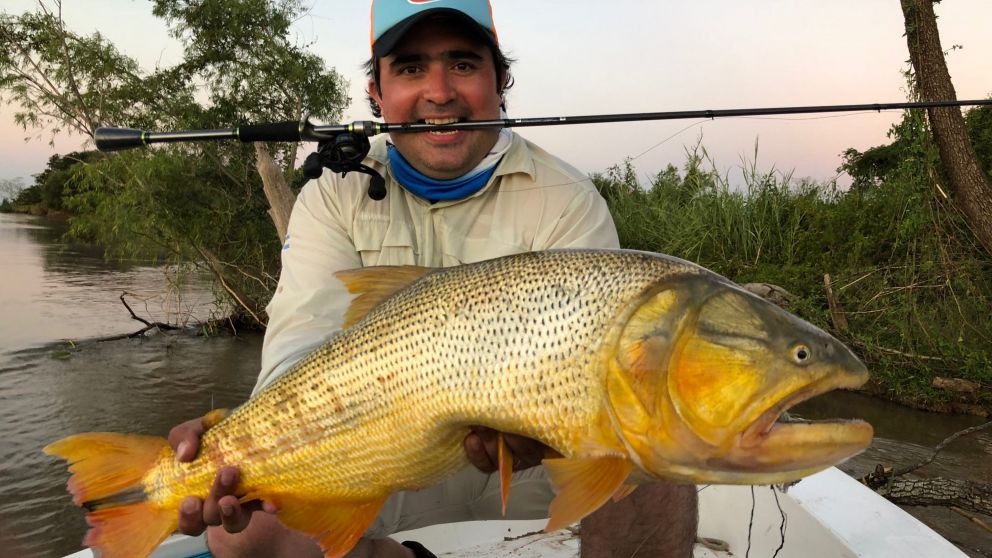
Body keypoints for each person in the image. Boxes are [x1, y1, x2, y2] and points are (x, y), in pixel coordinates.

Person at [168, 1, 698, 556]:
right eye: (411, 68)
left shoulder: (567, 198)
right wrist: (236, 443)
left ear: (501, 80)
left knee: (660, 448)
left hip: (539, 466)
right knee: (243, 538)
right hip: (380, 456)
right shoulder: (332, 195)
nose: (440, 92)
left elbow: (604, 373)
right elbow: (295, 351)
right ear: (377, 93)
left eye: (464, 65)